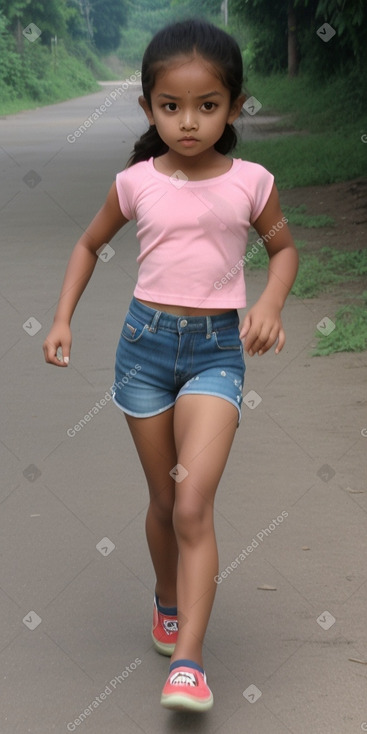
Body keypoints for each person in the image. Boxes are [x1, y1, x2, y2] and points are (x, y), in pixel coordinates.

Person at [43, 18, 299, 713]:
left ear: (235, 106)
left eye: (207, 106)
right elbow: (89, 244)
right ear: (149, 108)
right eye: (171, 106)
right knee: (162, 502)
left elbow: (282, 250)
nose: (188, 122)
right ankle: (165, 599)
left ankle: (188, 661)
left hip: (216, 354)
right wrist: (63, 317)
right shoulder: (134, 183)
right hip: (143, 353)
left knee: (193, 502)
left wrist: (270, 304)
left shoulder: (251, 182)